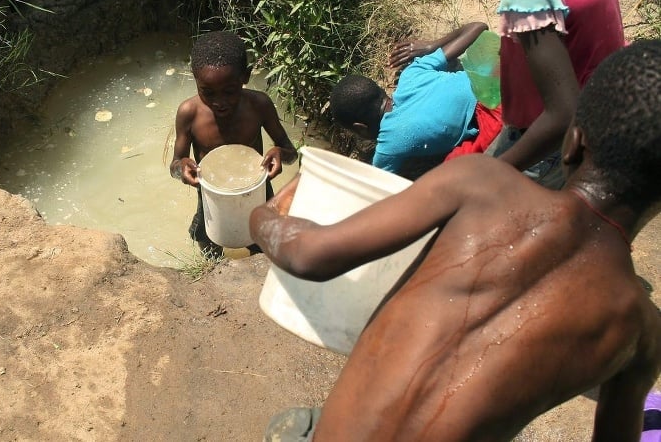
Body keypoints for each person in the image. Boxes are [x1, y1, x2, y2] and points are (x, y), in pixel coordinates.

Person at [251, 40, 661, 440]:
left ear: (574, 139)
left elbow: (306, 255)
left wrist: (261, 214)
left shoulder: (481, 182)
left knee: (307, 425)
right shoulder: (642, 333)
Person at [432, 0, 626, 189]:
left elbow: (563, 114)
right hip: (604, 109)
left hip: (555, 144)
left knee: (482, 207)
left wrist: (492, 174)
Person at [170, 31, 298, 257]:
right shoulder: (189, 113)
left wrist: (279, 152)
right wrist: (183, 168)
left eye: (229, 91)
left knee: (263, 247)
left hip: (256, 191)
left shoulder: (259, 105)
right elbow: (175, 165)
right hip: (211, 196)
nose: (219, 102)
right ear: (195, 80)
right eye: (207, 92)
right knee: (209, 242)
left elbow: (290, 152)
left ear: (245, 76)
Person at [329, 22, 502, 175]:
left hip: (495, 111)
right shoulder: (412, 73)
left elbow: (376, 186)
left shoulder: (388, 144)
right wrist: (431, 46)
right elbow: (478, 27)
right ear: (381, 90)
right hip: (497, 78)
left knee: (453, 171)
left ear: (360, 129)